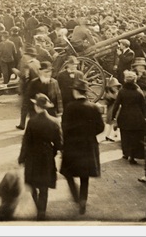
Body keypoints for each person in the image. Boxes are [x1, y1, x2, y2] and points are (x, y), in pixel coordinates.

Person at [60, 79, 105, 215]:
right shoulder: (94, 107)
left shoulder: (69, 107)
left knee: (68, 173)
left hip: (72, 145)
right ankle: (83, 201)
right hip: (88, 145)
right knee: (84, 176)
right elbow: (101, 127)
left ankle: (75, 195)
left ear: (75, 92)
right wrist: (90, 134)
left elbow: (64, 126)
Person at [18, 93, 63, 220]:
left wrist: (21, 158)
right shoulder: (54, 122)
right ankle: (42, 211)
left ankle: (37, 204)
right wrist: (52, 151)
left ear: (37, 107)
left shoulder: (32, 122)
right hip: (47, 157)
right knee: (44, 186)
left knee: (32, 183)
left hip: (32, 157)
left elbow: (26, 142)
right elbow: (59, 144)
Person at [111, 70, 146, 164]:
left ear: (125, 80)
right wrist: (145, 116)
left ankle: (126, 153)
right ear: (135, 80)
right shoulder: (139, 91)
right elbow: (143, 105)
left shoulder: (122, 91)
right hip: (137, 117)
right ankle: (133, 156)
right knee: (135, 137)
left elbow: (116, 105)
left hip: (124, 116)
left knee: (125, 136)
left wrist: (113, 116)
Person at [15, 45, 41, 130]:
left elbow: (24, 77)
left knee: (25, 107)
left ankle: (22, 124)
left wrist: (17, 72)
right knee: (34, 107)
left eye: (26, 55)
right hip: (36, 88)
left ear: (29, 55)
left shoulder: (27, 65)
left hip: (28, 89)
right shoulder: (37, 62)